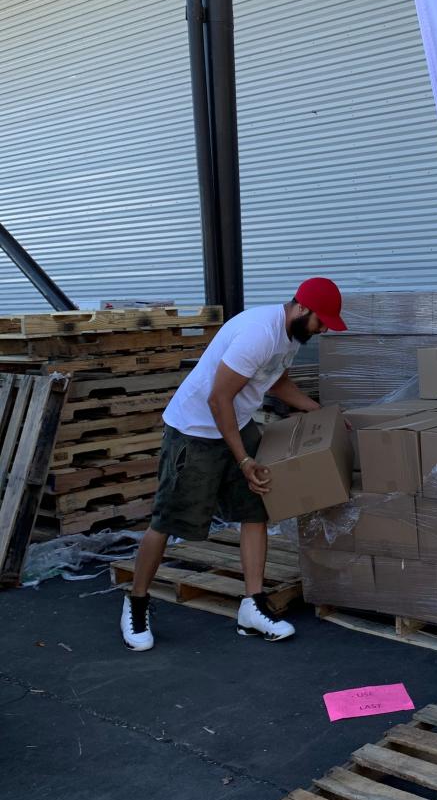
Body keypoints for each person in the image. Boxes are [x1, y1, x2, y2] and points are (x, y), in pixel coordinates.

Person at [120, 277, 347, 651]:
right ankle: (137, 602)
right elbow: (218, 399)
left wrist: (323, 413)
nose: (323, 330)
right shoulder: (258, 333)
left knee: (256, 507)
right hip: (194, 431)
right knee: (167, 520)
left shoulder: (290, 337)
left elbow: (278, 385)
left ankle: (252, 606)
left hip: (235, 424)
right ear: (302, 308)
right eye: (321, 321)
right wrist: (242, 458)